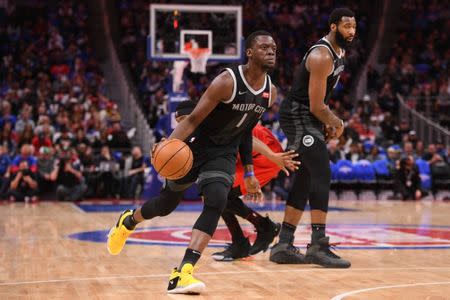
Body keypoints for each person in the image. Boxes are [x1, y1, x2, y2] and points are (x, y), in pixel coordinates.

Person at [107, 30, 277, 294]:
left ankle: (183, 273)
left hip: (223, 154)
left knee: (217, 200)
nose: (271, 51)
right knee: (165, 205)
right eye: (264, 47)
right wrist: (168, 145)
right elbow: (194, 119)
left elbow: (245, 131)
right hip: (196, 146)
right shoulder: (227, 81)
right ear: (250, 52)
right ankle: (129, 220)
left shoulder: (270, 92)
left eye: (274, 48)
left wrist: (251, 171)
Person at [274, 8, 356, 268]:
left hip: (309, 117)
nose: (351, 31)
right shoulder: (322, 55)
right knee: (322, 171)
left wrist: (325, 122)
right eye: (346, 26)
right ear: (333, 27)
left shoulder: (340, 51)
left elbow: (320, 105)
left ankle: (284, 244)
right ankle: (318, 245)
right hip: (298, 115)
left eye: (354, 27)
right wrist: (335, 122)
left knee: (307, 177)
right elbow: (316, 105)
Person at [173, 100, 300, 261]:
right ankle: (255, 231)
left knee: (216, 192)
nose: (181, 125)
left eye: (184, 119)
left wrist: (256, 170)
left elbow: (249, 140)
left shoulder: (214, 121)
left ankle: (254, 233)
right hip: (253, 157)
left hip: (266, 155)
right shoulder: (199, 131)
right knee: (215, 191)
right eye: (178, 122)